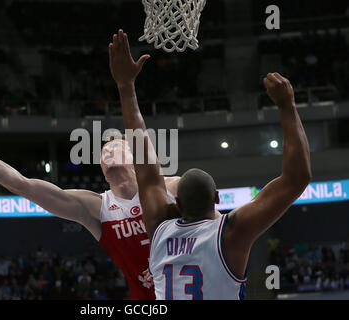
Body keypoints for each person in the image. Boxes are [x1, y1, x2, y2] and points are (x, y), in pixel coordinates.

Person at [0, 85, 184, 300]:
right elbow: (19, 184)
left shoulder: (171, 187)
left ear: (136, 158)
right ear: (103, 172)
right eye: (103, 153)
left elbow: (216, 225)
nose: (106, 152)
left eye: (115, 147)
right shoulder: (95, 207)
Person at [108, 29, 312, 300]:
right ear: (216, 199)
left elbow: (146, 167)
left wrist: (125, 86)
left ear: (177, 204)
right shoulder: (232, 232)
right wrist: (287, 106)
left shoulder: (159, 225)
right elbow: (297, 178)